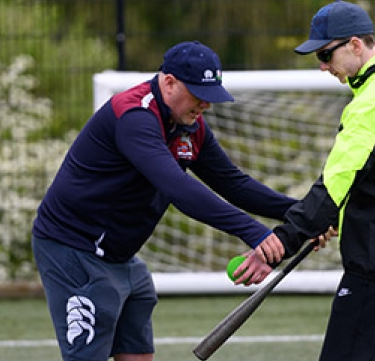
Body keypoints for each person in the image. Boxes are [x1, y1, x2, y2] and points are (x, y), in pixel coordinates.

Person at [32, 40, 301, 361]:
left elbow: (234, 183)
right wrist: (253, 231)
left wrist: (303, 213)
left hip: (120, 257)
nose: (206, 106)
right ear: (169, 82)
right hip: (73, 249)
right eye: (199, 95)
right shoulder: (134, 116)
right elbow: (176, 186)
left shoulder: (190, 124)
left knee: (138, 349)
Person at [272, 2, 375, 361]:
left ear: (356, 45)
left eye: (327, 54)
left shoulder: (371, 105)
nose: (323, 65)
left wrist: (281, 242)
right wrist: (331, 217)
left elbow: (335, 184)